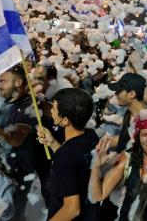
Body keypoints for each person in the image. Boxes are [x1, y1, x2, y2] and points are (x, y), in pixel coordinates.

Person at [0, 64, 50, 219]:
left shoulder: (29, 106)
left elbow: (15, 140)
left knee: (11, 215)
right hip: (1, 169)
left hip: (17, 173)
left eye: (3, 81)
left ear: (17, 83)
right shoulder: (7, 100)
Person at [37, 88, 100, 221]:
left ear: (65, 120)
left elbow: (72, 209)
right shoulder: (91, 137)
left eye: (53, 108)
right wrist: (54, 143)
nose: (51, 110)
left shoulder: (64, 156)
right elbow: (76, 162)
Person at [107, 72, 147, 152]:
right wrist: (108, 141)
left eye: (119, 91)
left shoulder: (146, 122)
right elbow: (125, 139)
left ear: (132, 94)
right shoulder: (129, 113)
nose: (116, 94)